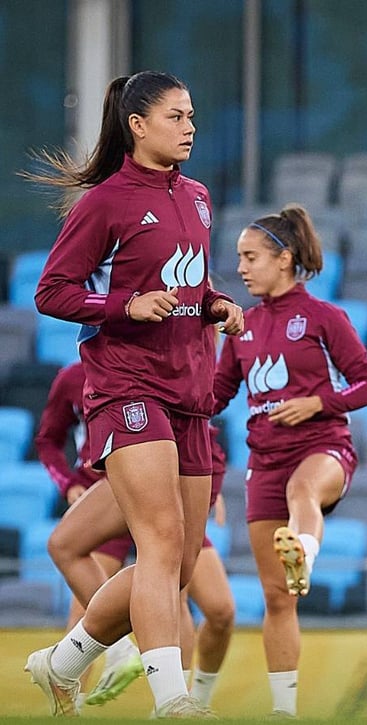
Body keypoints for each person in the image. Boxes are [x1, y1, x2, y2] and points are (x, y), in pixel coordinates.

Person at [27, 70, 243, 718]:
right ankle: (172, 699)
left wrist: (217, 305)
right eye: (176, 116)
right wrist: (126, 303)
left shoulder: (198, 197)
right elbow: (52, 291)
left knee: (178, 563)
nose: (190, 127)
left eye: (192, 116)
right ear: (138, 125)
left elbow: (190, 284)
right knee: (158, 540)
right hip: (127, 386)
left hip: (189, 395)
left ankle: (60, 664)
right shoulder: (105, 202)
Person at [212, 204, 367, 718]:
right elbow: (215, 396)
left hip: (323, 446)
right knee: (278, 599)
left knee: (301, 491)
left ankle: (303, 550)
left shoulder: (324, 317)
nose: (240, 268)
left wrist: (318, 403)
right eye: (239, 258)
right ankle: (284, 711)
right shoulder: (242, 327)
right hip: (264, 461)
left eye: (250, 257)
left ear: (283, 259)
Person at [36, 361, 236, 711]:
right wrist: (68, 484)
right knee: (89, 585)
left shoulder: (177, 368)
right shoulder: (77, 377)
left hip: (167, 481)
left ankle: (178, 696)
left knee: (202, 600)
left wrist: (207, 486)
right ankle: (89, 690)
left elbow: (201, 426)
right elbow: (48, 440)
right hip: (110, 485)